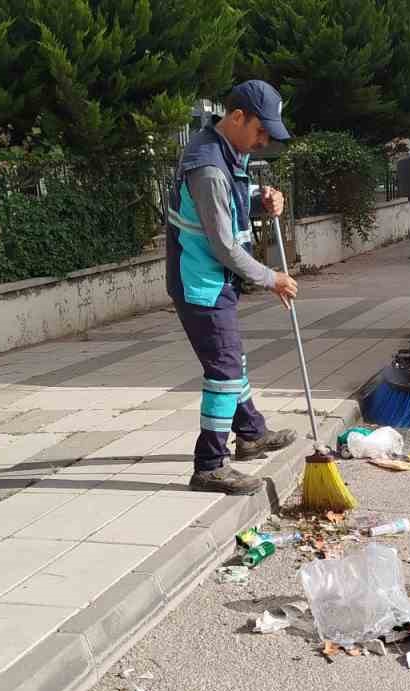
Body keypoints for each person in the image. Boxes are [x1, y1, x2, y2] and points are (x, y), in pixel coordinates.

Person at [165, 80, 300, 495]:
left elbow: (231, 199)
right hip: (200, 283)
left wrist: (263, 197)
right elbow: (223, 244)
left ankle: (251, 433)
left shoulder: (227, 152)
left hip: (214, 279)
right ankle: (209, 465)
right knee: (223, 371)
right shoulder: (208, 166)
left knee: (231, 361)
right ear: (237, 117)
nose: (264, 142)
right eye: (261, 131)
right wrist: (272, 278)